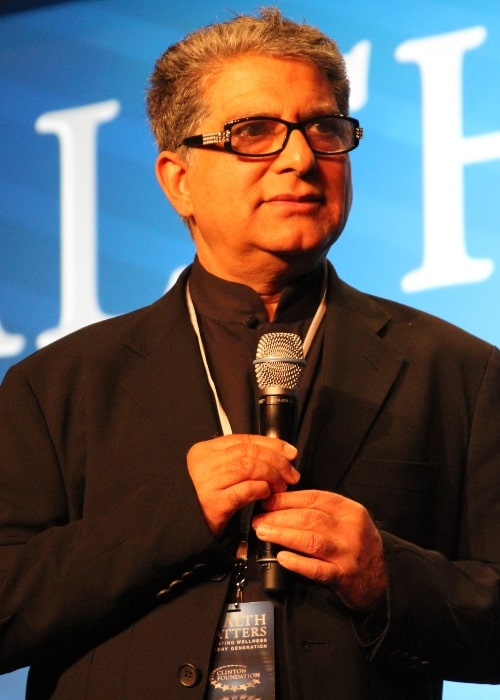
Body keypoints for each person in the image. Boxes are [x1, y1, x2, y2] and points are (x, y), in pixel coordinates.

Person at [0, 6, 499, 700]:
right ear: (178, 180)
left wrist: (387, 575)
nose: (301, 157)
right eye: (255, 133)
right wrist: (174, 515)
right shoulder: (57, 386)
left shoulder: (461, 374)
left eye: (324, 129)